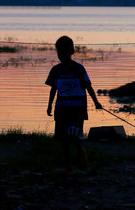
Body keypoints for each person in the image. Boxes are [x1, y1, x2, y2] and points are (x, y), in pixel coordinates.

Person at [46, 35, 103, 174]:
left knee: (76, 136)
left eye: (64, 52)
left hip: (77, 109)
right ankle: (68, 167)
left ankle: (82, 158)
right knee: (63, 140)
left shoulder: (79, 69)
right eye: (59, 53)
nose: (61, 56)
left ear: (72, 51)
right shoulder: (56, 70)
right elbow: (53, 89)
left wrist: (96, 102)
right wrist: (49, 106)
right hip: (61, 110)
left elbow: (88, 86)